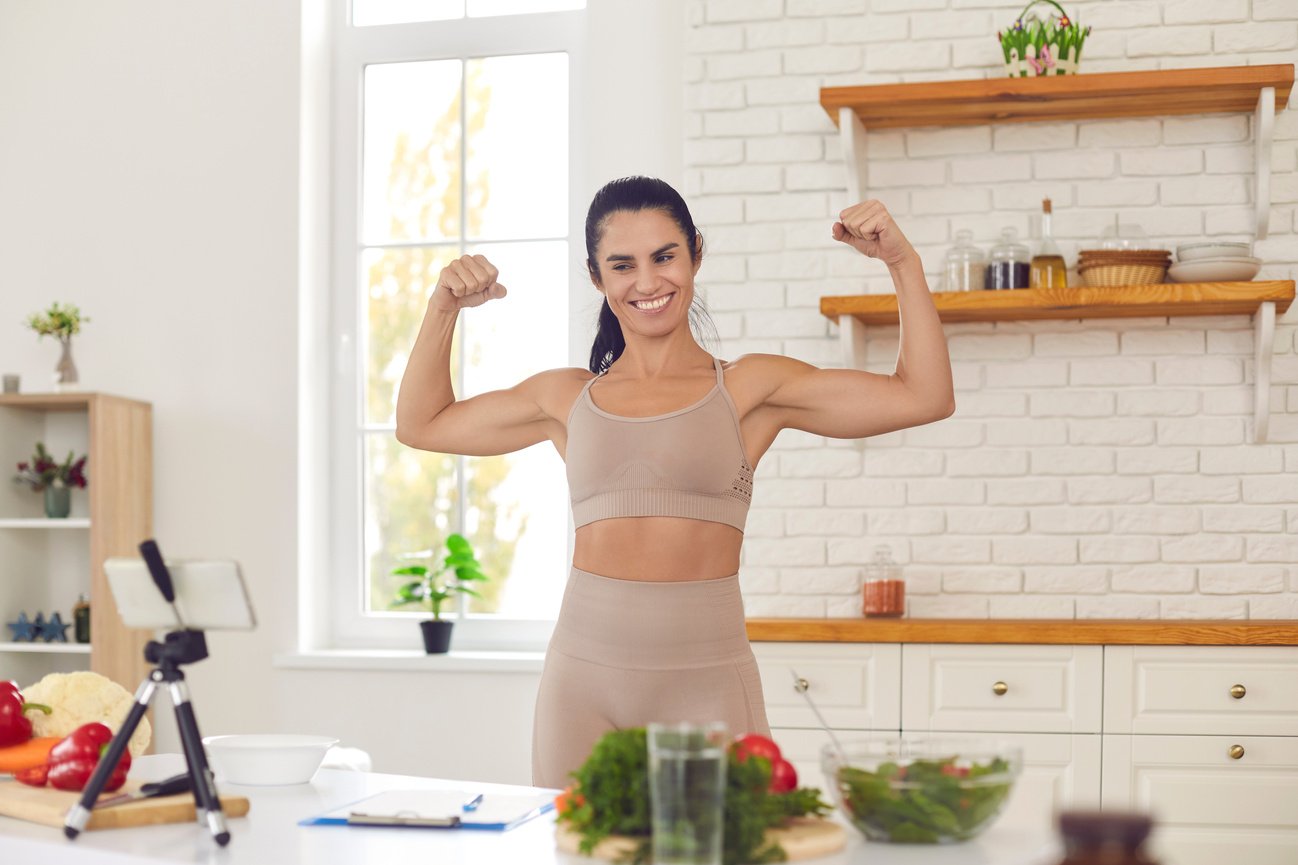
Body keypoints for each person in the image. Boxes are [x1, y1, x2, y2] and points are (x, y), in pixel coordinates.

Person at [395, 176, 954, 788]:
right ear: (596, 277)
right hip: (582, 685)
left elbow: (923, 396)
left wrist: (902, 262)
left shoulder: (749, 388)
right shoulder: (566, 398)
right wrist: (443, 306)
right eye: (622, 265)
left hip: (709, 683)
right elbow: (422, 424)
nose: (647, 282)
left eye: (665, 256)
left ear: (695, 255)